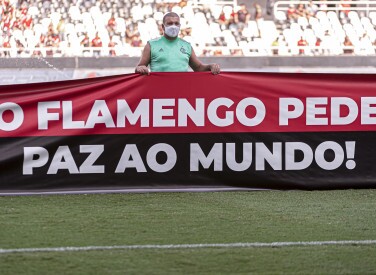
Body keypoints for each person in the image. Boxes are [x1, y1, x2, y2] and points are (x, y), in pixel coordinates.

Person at [135, 12, 220, 75]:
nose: (173, 26)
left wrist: (210, 66)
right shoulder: (151, 45)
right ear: (163, 27)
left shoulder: (187, 46)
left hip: (181, 92)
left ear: (180, 26)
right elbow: (139, 67)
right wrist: (141, 68)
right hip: (159, 93)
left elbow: (198, 68)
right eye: (170, 23)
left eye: (176, 23)